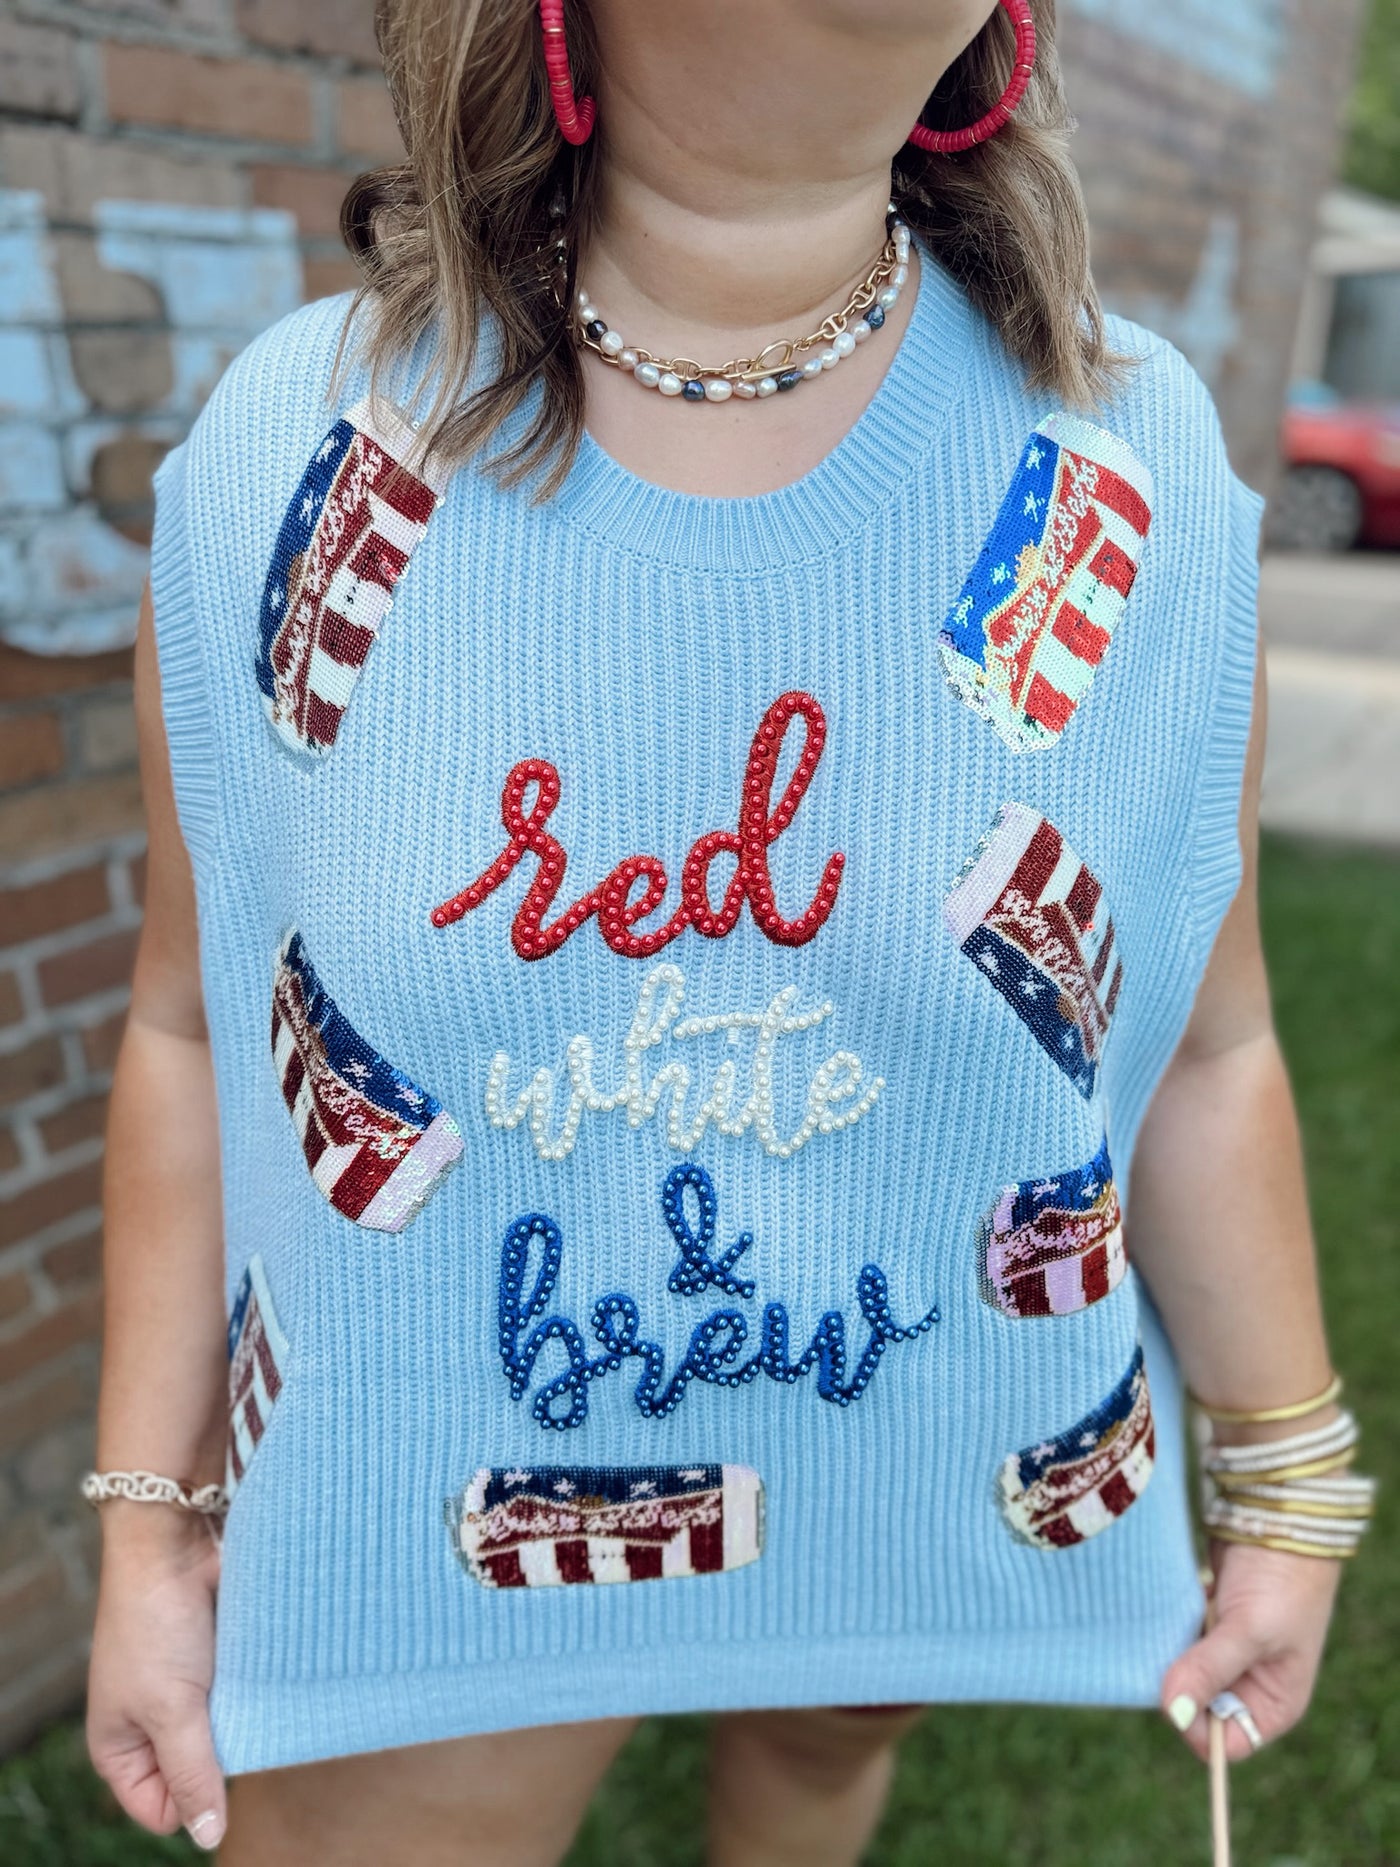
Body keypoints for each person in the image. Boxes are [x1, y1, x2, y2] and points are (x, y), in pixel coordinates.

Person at [83, 2, 1374, 1862]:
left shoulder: (1127, 472)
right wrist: (145, 1521)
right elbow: (197, 1036)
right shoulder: (302, 462)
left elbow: (1206, 1039)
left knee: (821, 1761)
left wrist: (1285, 1472)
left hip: (921, 1476)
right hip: (422, 1542)